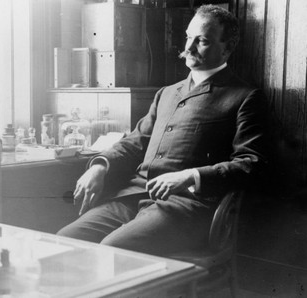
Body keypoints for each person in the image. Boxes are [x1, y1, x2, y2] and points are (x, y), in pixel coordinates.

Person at [57, 4, 268, 256]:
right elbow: (135, 143)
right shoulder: (166, 93)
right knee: (66, 240)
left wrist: (191, 176)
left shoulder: (245, 97)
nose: (188, 48)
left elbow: (251, 163)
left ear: (227, 48)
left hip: (187, 206)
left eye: (201, 41)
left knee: (113, 251)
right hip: (134, 195)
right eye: (189, 37)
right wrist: (99, 166)